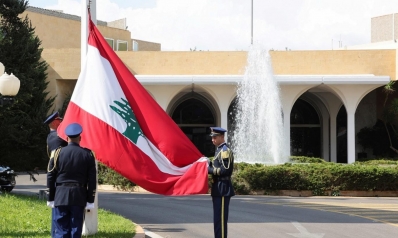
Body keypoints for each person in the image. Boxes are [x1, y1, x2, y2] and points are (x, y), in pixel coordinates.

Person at [47, 123, 97, 238]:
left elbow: (50, 176)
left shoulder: (57, 153)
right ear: (80, 138)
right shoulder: (87, 154)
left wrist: (50, 197)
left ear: (66, 138)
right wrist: (90, 200)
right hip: (79, 195)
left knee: (60, 230)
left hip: (60, 196)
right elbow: (92, 180)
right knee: (76, 230)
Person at [207, 127, 235, 238]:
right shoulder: (219, 150)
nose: (212, 139)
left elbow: (225, 170)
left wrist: (209, 170)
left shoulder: (224, 151)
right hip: (218, 187)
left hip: (223, 188)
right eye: (212, 137)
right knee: (217, 219)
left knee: (221, 220)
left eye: (215, 137)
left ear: (222, 137)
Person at [43, 111, 68, 237]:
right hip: (60, 175)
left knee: (57, 212)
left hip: (56, 175)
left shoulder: (51, 136)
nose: (61, 121)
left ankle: (55, 233)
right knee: (59, 214)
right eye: (59, 120)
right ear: (54, 122)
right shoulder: (58, 137)